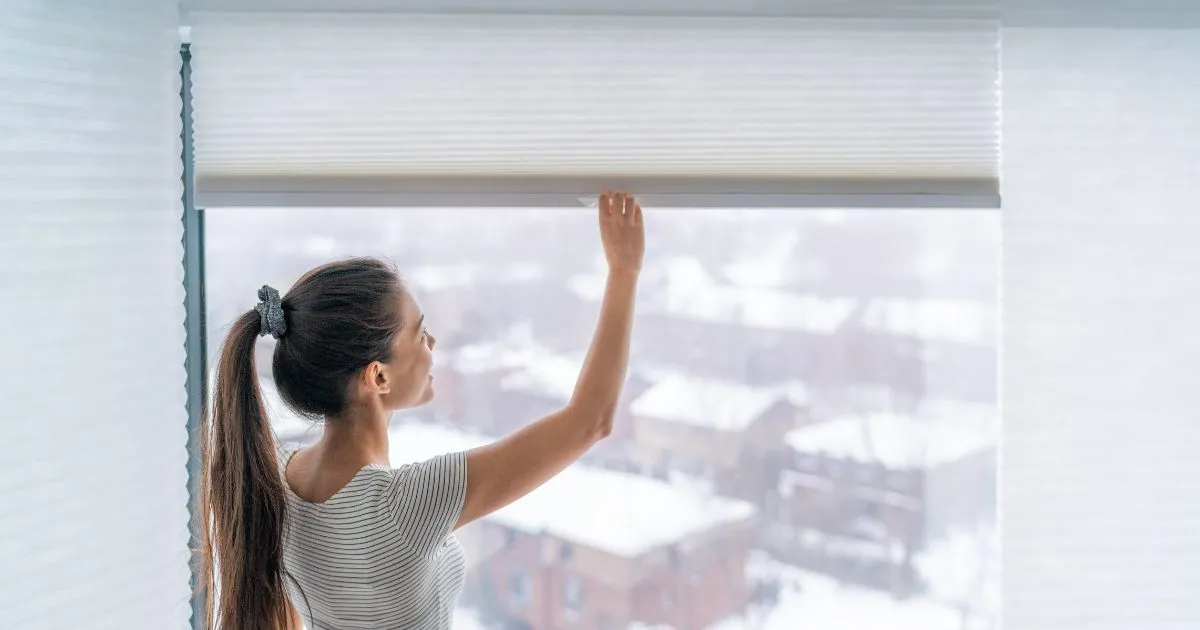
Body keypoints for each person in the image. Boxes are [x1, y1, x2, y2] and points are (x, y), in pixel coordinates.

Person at [198, 191, 645, 629]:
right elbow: (591, 419)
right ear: (378, 377)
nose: (432, 344)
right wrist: (624, 271)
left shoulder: (274, 477)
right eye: (420, 332)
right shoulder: (405, 505)